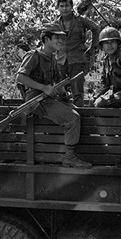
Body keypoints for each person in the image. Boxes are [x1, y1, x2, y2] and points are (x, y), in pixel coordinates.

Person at [16, 23, 92, 168]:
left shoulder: (52, 59)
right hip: (36, 101)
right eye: (56, 38)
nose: (60, 41)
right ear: (46, 39)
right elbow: (20, 78)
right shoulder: (33, 55)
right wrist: (43, 88)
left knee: (77, 110)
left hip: (48, 98)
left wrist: (63, 93)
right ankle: (69, 157)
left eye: (61, 38)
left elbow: (55, 82)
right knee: (72, 118)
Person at [54, 0, 100, 107]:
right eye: (62, 6)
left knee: (77, 90)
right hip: (60, 60)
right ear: (58, 8)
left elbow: (96, 28)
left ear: (71, 7)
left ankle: (80, 115)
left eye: (67, 6)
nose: (64, 8)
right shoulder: (55, 23)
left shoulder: (80, 20)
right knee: (60, 91)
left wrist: (92, 47)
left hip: (77, 59)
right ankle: (63, 116)